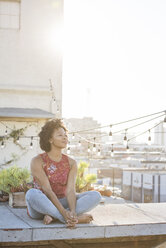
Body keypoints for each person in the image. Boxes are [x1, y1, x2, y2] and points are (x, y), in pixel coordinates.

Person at [25, 119, 101, 228]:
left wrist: (73, 211)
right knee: (31, 193)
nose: (65, 137)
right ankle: (68, 219)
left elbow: (70, 191)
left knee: (95, 195)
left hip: (62, 201)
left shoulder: (71, 163)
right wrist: (64, 213)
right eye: (60, 135)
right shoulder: (37, 161)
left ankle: (57, 216)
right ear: (50, 139)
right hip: (42, 205)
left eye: (65, 135)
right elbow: (47, 191)